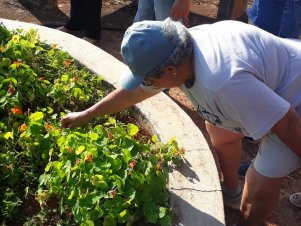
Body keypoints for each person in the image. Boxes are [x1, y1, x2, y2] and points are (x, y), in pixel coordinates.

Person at [61, 18, 301, 225]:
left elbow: (288, 123)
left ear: (170, 71)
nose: (147, 84)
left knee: (257, 186)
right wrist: (84, 115)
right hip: (268, 87)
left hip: (294, 107)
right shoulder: (179, 45)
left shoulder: (223, 83)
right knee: (219, 130)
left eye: (148, 78)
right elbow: (132, 93)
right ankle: (231, 192)